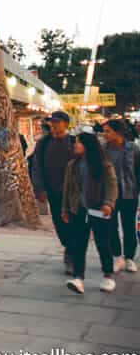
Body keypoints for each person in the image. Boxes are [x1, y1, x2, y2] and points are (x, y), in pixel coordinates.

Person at [63, 132, 118, 294]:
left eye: (78, 143)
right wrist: (65, 209)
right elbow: (67, 189)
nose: (75, 145)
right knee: (79, 245)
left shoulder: (104, 165)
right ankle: (78, 278)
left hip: (99, 210)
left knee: (103, 244)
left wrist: (109, 204)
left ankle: (108, 275)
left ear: (87, 145)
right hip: (78, 211)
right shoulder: (72, 165)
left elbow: (112, 186)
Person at [30, 111, 76, 274]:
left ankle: (71, 254)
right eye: (51, 122)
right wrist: (39, 189)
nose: (53, 124)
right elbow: (36, 167)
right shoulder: (44, 143)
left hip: (74, 192)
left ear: (66, 123)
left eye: (57, 121)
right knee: (59, 223)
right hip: (53, 191)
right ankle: (68, 246)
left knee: (73, 223)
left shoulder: (74, 141)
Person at [103, 119, 138, 273]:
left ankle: (129, 258)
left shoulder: (133, 149)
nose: (105, 134)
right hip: (110, 196)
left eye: (108, 131)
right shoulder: (103, 150)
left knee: (129, 227)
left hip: (130, 194)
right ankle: (117, 257)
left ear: (118, 132)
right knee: (111, 227)